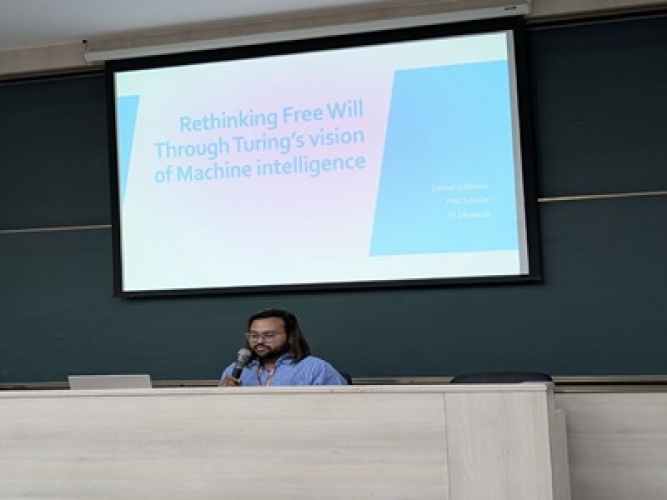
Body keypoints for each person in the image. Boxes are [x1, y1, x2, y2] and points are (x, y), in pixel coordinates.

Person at [219, 308, 348, 386]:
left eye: (269, 335)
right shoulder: (233, 371)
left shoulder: (316, 369)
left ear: (290, 337)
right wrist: (222, 396)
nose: (259, 341)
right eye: (253, 336)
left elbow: (340, 408)